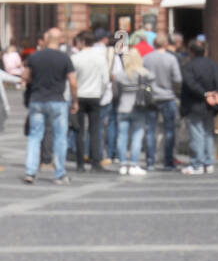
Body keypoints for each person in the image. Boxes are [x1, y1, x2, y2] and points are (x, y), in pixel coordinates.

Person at [21, 27, 78, 184]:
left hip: (37, 100)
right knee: (60, 137)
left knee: (34, 136)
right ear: (60, 40)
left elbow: (25, 76)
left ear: (47, 40)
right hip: (57, 101)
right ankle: (59, 174)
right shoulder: (65, 58)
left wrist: (36, 81)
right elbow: (73, 81)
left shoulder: (34, 56)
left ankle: (30, 172)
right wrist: (75, 101)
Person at [180, 39, 218, 174]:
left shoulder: (188, 66)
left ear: (191, 52)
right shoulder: (214, 65)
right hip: (210, 106)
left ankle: (197, 163)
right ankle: (208, 162)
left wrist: (205, 94)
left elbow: (190, 84)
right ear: (205, 51)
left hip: (194, 104)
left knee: (197, 134)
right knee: (208, 133)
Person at [71, 28, 110, 171]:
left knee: (79, 131)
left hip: (80, 96)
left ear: (81, 42)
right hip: (95, 96)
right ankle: (95, 162)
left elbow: (72, 80)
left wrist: (72, 97)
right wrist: (101, 93)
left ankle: (80, 163)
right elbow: (105, 80)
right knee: (95, 130)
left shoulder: (75, 58)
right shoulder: (100, 58)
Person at [143, 33, 183, 170]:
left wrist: (148, 91)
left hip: (152, 97)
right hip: (168, 96)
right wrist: (172, 88)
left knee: (150, 130)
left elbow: (143, 80)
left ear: (154, 44)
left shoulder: (146, 59)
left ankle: (150, 162)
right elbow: (178, 79)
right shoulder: (171, 59)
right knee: (169, 130)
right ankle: (168, 162)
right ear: (166, 44)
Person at [113, 47, 152, 176]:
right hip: (138, 107)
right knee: (137, 136)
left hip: (123, 107)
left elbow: (116, 93)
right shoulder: (145, 73)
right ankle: (134, 164)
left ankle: (123, 164)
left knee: (122, 136)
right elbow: (150, 88)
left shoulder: (120, 75)